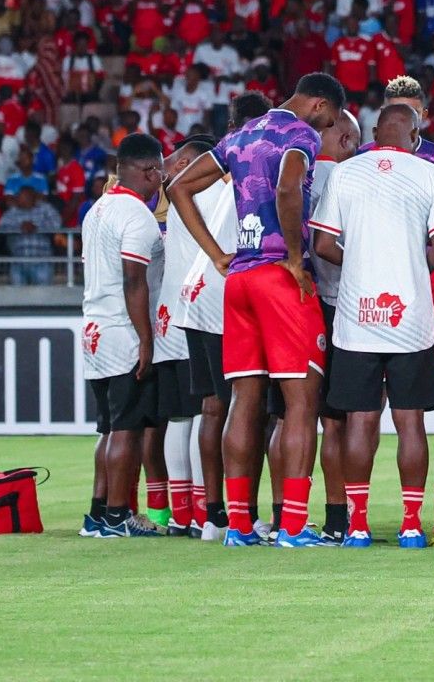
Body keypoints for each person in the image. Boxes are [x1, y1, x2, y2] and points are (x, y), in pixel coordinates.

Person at [167, 72, 345, 547]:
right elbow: (289, 189)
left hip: (239, 278)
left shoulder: (240, 135)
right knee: (300, 404)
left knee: (243, 402)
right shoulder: (299, 133)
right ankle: (293, 527)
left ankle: (239, 527)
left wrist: (216, 254)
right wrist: (292, 256)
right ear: (319, 105)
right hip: (278, 279)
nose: (327, 130)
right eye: (329, 120)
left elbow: (177, 188)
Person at [311, 102, 434, 548]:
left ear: (375, 131)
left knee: (360, 420)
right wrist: (413, 261)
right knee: (411, 421)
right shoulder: (432, 174)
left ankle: (357, 525)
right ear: (415, 135)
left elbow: (322, 243)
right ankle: (412, 525)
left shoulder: (345, 173)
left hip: (357, 315)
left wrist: (357, 260)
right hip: (412, 316)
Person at [173, 91, 272, 543]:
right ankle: (243, 515)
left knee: (213, 407)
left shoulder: (214, 163)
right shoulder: (253, 164)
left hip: (195, 292)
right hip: (225, 288)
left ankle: (213, 515)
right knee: (249, 407)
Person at [79, 132, 167, 539]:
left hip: (93, 327)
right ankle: (118, 515)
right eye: (160, 173)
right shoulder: (136, 216)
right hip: (120, 330)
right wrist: (145, 339)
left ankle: (98, 513)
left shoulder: (97, 210)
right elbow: (135, 281)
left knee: (109, 429)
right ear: (150, 171)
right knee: (128, 429)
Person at [153, 132, 215, 536]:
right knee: (203, 411)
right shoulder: (205, 196)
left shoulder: (175, 202)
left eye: (176, 160)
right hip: (196, 312)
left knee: (180, 415)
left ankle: (181, 513)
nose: (168, 167)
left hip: (167, 315)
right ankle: (201, 509)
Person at [307, 107, 362, 544]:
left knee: (317, 418)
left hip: (309, 306)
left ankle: (323, 516)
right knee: (346, 420)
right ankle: (345, 517)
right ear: (344, 139)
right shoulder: (347, 179)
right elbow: (327, 245)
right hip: (346, 305)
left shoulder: (301, 175)